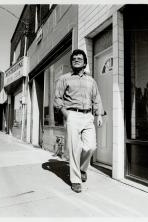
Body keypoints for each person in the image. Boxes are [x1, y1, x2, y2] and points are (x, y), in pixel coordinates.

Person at [54, 49, 103, 193]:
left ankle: (82, 168)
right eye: (74, 58)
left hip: (88, 116)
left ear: (85, 62)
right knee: (75, 148)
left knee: (90, 146)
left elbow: (97, 98)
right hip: (72, 115)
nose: (76, 60)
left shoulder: (91, 80)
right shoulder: (65, 78)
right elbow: (57, 98)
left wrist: (99, 115)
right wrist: (66, 114)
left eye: (79, 58)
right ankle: (75, 180)